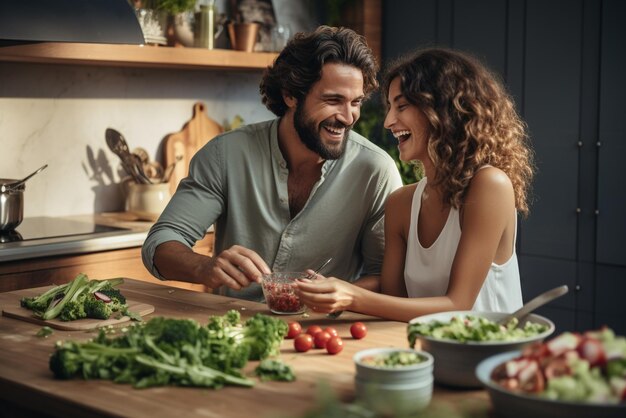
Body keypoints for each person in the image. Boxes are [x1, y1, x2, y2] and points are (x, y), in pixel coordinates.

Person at [141, 26, 403, 301]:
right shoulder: (225, 155)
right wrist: (203, 267)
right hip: (235, 329)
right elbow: (161, 242)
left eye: (356, 102)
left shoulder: (375, 171)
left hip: (324, 333)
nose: (348, 117)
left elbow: (386, 276)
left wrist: (342, 293)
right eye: (333, 100)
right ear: (291, 94)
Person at [297, 48, 535, 322]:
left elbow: (459, 304)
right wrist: (329, 289)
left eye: (402, 106)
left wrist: (351, 296)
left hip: (490, 357)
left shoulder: (489, 185)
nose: (388, 122)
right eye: (389, 107)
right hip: (426, 352)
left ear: (442, 109)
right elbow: (392, 300)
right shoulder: (401, 203)